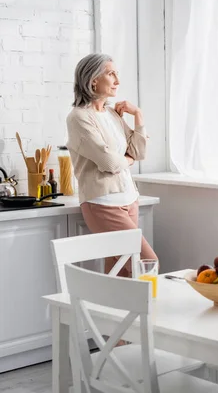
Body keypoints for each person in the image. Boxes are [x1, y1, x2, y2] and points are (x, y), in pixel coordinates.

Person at [66, 53, 157, 277]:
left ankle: (109, 313)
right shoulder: (79, 117)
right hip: (103, 204)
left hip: (129, 200)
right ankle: (150, 312)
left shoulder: (110, 114)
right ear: (93, 80)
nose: (117, 79)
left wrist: (138, 115)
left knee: (121, 274)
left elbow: (139, 151)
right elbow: (109, 162)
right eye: (111, 73)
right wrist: (127, 160)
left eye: (117, 73)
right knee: (147, 263)